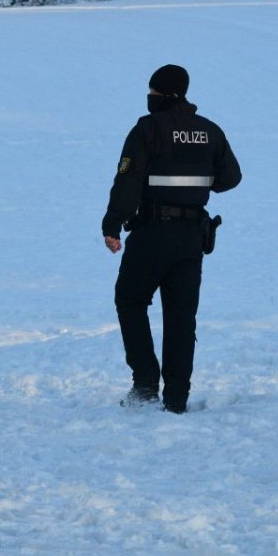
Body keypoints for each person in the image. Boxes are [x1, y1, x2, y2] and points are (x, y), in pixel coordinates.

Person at [102, 64, 242, 413]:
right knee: (181, 317)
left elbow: (128, 180)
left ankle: (146, 384)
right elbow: (230, 178)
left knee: (130, 300)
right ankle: (177, 398)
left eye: (151, 91)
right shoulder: (209, 131)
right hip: (191, 237)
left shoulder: (148, 129)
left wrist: (112, 224)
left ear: (161, 93)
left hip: (151, 233)